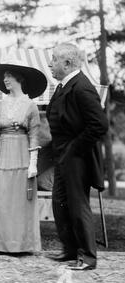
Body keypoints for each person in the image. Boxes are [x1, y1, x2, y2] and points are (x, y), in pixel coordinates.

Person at [46, 43, 108, 270]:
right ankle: (70, 250)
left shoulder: (81, 87)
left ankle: (88, 257)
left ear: (67, 63)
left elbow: (99, 125)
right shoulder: (64, 86)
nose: (49, 64)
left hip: (76, 158)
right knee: (60, 204)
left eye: (53, 59)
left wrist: (74, 149)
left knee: (77, 205)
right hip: (62, 156)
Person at [0, 59, 47, 254]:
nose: (5, 80)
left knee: (20, 201)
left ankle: (21, 244)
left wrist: (33, 164)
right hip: (3, 154)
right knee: (2, 198)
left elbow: (34, 136)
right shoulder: (0, 105)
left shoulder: (31, 106)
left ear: (19, 78)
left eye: (8, 76)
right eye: (4, 77)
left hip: (22, 156)